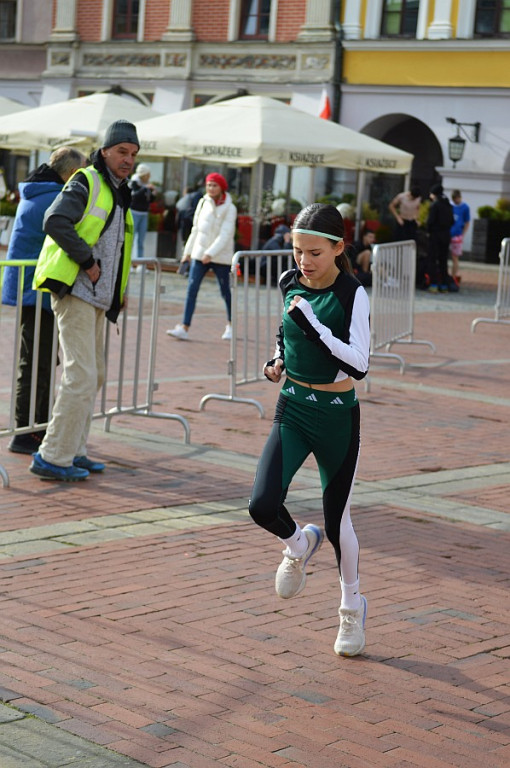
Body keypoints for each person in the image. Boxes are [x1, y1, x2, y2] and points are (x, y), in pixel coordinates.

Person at [248, 203, 371, 657]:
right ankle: (298, 544)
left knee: (339, 523)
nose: (304, 261)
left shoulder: (353, 293)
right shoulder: (288, 282)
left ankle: (351, 607)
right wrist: (277, 358)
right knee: (261, 506)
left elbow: (359, 364)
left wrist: (315, 327)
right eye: (298, 251)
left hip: (337, 414)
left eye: (315, 252)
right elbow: (287, 329)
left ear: (339, 248)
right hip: (294, 407)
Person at [29, 119, 139, 481]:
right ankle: (52, 456)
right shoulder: (86, 179)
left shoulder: (118, 190)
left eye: (133, 154)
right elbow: (55, 220)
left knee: (96, 375)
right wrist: (88, 262)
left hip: (97, 296)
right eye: (122, 151)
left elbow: (118, 249)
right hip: (74, 289)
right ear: (105, 150)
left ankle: (74, 450)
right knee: (81, 374)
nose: (128, 159)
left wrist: (117, 292)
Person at [1, 147, 87, 455]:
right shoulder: (52, 198)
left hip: (34, 288)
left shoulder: (40, 191)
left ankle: (35, 426)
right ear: (68, 173)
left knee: (41, 358)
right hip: (35, 289)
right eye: (81, 172)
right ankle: (26, 431)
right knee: (36, 360)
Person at [167, 172, 237, 342]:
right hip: (200, 254)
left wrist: (210, 253)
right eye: (208, 185)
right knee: (191, 290)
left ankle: (231, 325)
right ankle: (184, 327)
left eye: (214, 185)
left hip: (220, 257)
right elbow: (196, 229)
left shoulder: (230, 207)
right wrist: (187, 253)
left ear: (221, 187)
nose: (211, 188)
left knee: (226, 291)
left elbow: (226, 234)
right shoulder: (202, 202)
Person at [426, 183, 454, 293]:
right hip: (446, 236)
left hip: (435, 236)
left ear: (434, 194)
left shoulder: (435, 205)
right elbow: (452, 221)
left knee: (433, 260)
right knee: (443, 260)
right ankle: (444, 285)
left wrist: (429, 231)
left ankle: (433, 284)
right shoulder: (448, 205)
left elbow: (430, 222)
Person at [129, 163, 155, 261]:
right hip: (134, 213)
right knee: (131, 239)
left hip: (144, 214)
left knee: (141, 240)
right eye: (148, 174)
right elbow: (134, 196)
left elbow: (150, 199)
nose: (149, 176)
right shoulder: (134, 182)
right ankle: (129, 262)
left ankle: (140, 263)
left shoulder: (146, 185)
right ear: (143, 175)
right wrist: (145, 188)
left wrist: (153, 193)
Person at [450, 189, 470, 283]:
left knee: (455, 256)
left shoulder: (465, 207)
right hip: (449, 233)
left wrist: (462, 234)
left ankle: (453, 276)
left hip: (457, 234)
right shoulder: (450, 206)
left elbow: (467, 222)